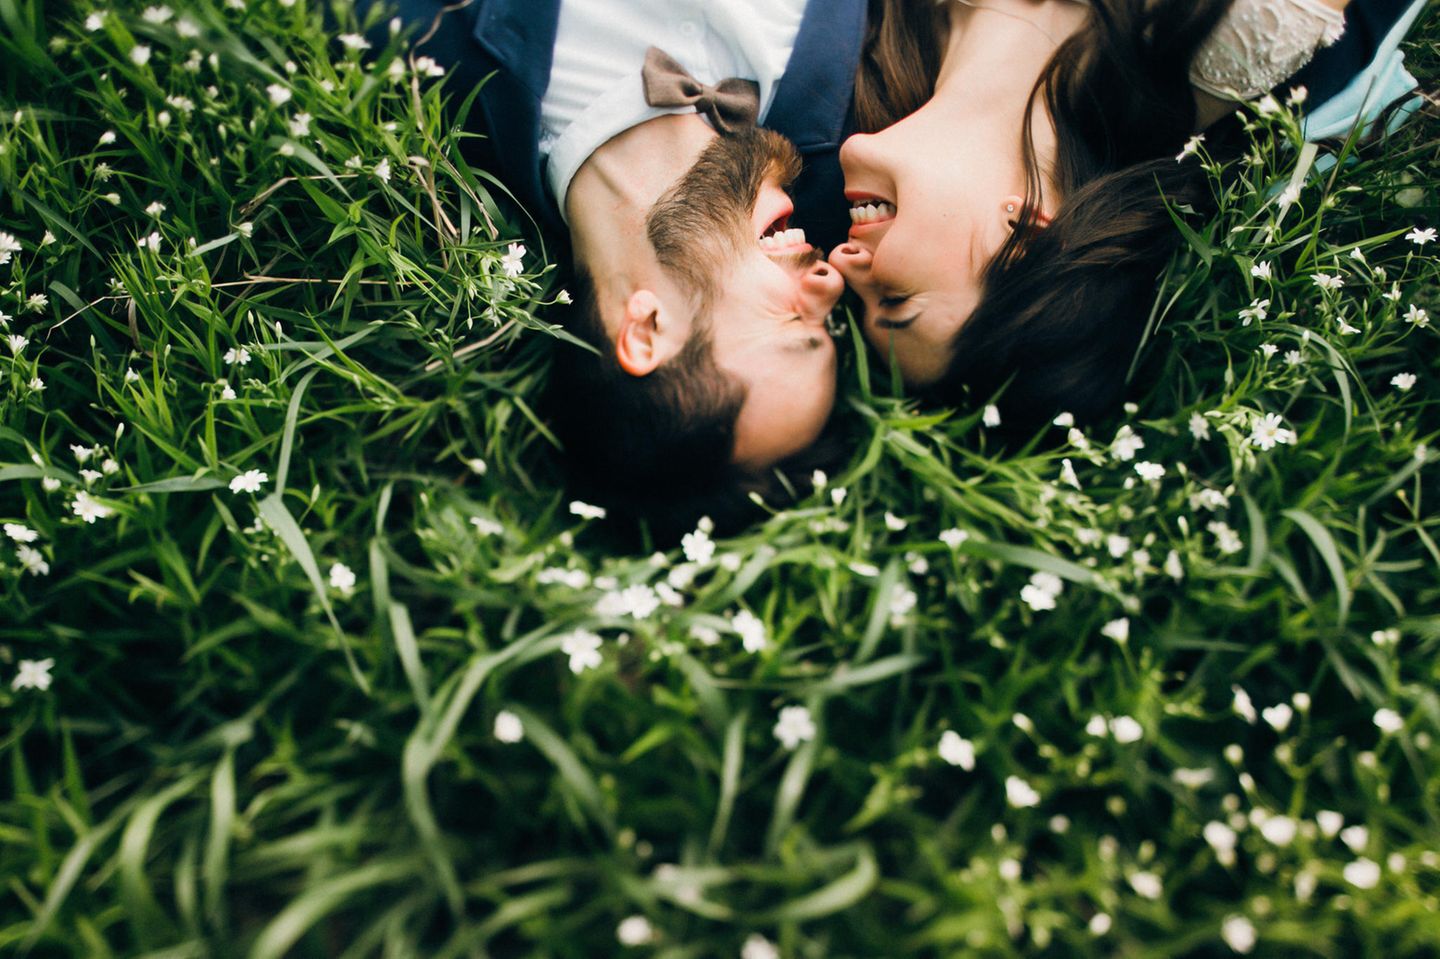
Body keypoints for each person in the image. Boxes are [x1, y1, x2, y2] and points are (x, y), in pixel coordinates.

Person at [355, 0, 875, 536]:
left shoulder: (414, 51)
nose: (831, 278)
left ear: (648, 331)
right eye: (830, 321)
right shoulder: (862, 134)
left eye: (796, 325)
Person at [827, 0, 1430, 436]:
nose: (844, 264)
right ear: (1027, 233)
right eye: (895, 299)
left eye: (862, 304)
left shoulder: (856, 56)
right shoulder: (1217, 41)